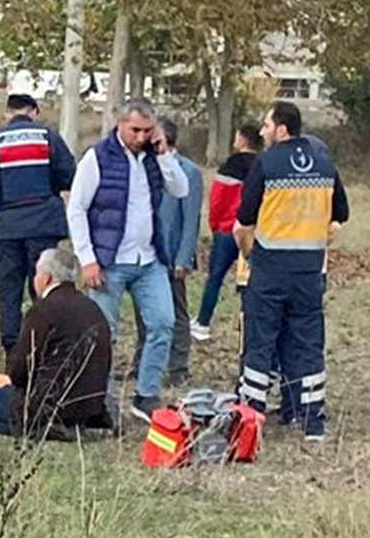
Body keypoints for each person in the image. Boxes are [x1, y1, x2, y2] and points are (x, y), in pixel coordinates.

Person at [66, 97, 189, 421]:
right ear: (120, 123)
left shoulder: (154, 157)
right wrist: (87, 258)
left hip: (149, 258)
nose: (141, 136)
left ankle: (146, 395)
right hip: (109, 260)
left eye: (147, 130)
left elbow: (180, 189)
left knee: (163, 322)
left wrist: (164, 153)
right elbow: (77, 208)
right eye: (135, 130)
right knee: (104, 332)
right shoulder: (97, 157)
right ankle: (101, 399)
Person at [234, 101, 349, 441]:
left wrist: (250, 253)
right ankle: (312, 423)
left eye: (266, 125)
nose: (262, 132)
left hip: (270, 269)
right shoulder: (325, 164)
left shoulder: (266, 163)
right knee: (309, 345)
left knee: (259, 345)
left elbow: (243, 222)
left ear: (281, 129)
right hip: (309, 271)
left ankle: (250, 423)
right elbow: (340, 215)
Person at [0, 94, 76, 354]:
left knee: (9, 292)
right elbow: (70, 177)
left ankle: (12, 351)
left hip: (8, 228)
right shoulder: (49, 138)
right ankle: (46, 347)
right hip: (44, 225)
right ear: (35, 112)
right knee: (46, 288)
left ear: (7, 113)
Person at [0, 248, 114, 439]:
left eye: (37, 273)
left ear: (46, 278)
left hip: (49, 405)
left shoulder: (43, 311)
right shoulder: (93, 308)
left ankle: (47, 429)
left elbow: (20, 369)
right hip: (90, 408)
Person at [133, 117, 204, 388]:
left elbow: (191, 219)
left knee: (176, 312)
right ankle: (142, 362)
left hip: (172, 254)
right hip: (146, 253)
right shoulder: (144, 166)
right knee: (143, 312)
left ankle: (178, 367)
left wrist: (183, 257)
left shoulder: (189, 171)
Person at [192, 123, 263, 341]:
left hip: (226, 229)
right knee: (251, 282)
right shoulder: (264, 166)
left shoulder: (229, 166)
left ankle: (203, 322)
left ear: (242, 140)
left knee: (215, 278)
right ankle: (249, 326)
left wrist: (215, 224)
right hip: (253, 231)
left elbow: (218, 199)